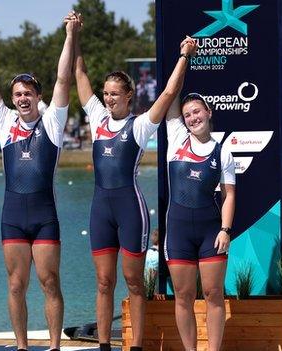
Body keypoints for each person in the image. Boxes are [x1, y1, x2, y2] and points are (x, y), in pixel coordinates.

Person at [73, 12, 197, 351]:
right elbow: (79, 72)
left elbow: (170, 91)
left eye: (116, 94)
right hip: (101, 208)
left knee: (133, 282)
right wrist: (75, 35)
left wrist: (184, 54)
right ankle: (102, 345)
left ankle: (137, 346)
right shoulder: (97, 118)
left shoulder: (140, 126)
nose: (110, 98)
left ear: (129, 96)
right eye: (106, 93)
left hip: (130, 209)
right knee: (103, 281)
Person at [0, 13, 78, 351]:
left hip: (45, 218)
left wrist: (69, 34)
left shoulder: (52, 123)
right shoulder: (3, 122)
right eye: (17, 93)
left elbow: (63, 80)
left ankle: (55, 347)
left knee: (50, 283)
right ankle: (21, 346)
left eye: (28, 93)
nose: (22, 98)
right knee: (15, 285)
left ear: (37, 95)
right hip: (13, 217)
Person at [163, 91, 236, 350]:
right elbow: (171, 92)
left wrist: (225, 230)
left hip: (210, 232)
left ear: (208, 112)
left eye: (197, 111)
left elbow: (228, 196)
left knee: (213, 294)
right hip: (178, 233)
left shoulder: (223, 153)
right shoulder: (176, 139)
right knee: (183, 297)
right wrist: (183, 56)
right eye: (187, 115)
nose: (193, 118)